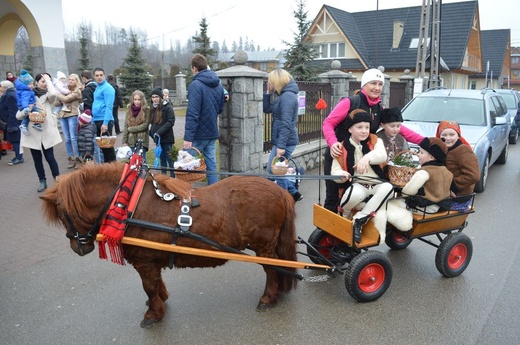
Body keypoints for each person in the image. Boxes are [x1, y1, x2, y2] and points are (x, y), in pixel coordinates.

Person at [322, 68, 424, 213]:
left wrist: (425, 142)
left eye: (380, 84)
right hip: (338, 157)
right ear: (364, 85)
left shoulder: (379, 109)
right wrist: (332, 143)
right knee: (333, 199)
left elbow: (399, 128)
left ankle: (353, 229)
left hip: (360, 160)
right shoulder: (350, 102)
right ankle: (327, 234)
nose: (377, 88)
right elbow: (328, 123)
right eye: (373, 83)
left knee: (356, 199)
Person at [331, 109, 394, 243]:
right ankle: (344, 219)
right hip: (358, 184)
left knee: (388, 188)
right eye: (359, 127)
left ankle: (359, 219)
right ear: (350, 129)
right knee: (352, 195)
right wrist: (341, 174)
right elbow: (334, 172)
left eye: (367, 127)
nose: (364, 131)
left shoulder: (375, 140)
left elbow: (382, 155)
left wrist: (367, 158)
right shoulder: (341, 148)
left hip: (377, 184)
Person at [183, 53, 224, 185]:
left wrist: (188, 138)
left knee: (185, 166)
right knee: (211, 165)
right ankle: (215, 194)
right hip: (212, 132)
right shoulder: (218, 85)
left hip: (198, 135)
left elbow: (193, 114)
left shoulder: (196, 85)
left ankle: (186, 195)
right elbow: (220, 108)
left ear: (195, 68)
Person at [263, 68, 302, 202]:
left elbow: (286, 123)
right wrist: (268, 93)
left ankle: (284, 199)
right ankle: (294, 194)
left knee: (275, 171)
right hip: (282, 140)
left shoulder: (287, 98)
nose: (270, 85)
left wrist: (281, 146)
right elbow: (267, 109)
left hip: (285, 141)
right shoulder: (284, 96)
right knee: (276, 170)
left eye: (271, 83)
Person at [18, 73, 62, 192]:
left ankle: (57, 179)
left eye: (46, 81)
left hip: (46, 131)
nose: (44, 84)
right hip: (33, 132)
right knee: (37, 159)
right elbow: (18, 115)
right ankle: (42, 180)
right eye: (42, 81)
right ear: (36, 82)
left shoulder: (48, 95)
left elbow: (53, 94)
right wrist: (26, 111)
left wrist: (48, 80)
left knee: (50, 157)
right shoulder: (27, 95)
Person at [402, 137, 453, 214]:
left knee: (393, 204)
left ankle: (402, 225)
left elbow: (407, 191)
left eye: (421, 153)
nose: (418, 154)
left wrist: (402, 191)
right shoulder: (448, 172)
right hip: (441, 207)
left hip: (423, 208)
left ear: (432, 157)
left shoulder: (424, 172)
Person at [436, 120, 480, 200]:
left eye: (452, 135)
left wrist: (453, 187)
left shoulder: (463, 150)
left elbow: (473, 175)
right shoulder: (442, 150)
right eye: (444, 135)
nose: (447, 138)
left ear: (458, 136)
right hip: (443, 194)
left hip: (458, 195)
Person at [51, 73, 83, 169]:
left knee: (74, 138)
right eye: (69, 79)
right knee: (67, 138)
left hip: (72, 115)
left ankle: (78, 158)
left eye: (72, 80)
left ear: (77, 81)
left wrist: (57, 93)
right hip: (63, 115)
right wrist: (57, 98)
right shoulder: (65, 89)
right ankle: (70, 158)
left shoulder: (78, 91)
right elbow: (57, 103)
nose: (70, 81)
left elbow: (66, 98)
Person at [91, 67, 116, 163]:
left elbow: (109, 106)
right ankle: (107, 170)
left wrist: (105, 123)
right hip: (97, 120)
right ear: (94, 77)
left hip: (104, 120)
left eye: (101, 75)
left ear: (104, 75)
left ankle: (114, 170)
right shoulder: (98, 87)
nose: (99, 77)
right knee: (103, 148)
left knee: (108, 148)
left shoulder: (108, 88)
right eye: (97, 75)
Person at [149, 87, 175, 176]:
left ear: (160, 97)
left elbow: (170, 121)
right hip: (158, 140)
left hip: (167, 139)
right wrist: (151, 133)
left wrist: (159, 132)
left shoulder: (167, 107)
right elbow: (153, 123)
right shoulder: (153, 108)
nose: (154, 99)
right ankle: (163, 177)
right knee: (161, 160)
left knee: (170, 160)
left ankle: (172, 178)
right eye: (153, 97)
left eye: (156, 97)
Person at [0, 80, 23, 165]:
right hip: (9, 121)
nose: (0, 88)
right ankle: (17, 156)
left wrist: (12, 125)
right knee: (14, 140)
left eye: (1, 86)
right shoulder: (8, 94)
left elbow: (13, 111)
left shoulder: (10, 95)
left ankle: (19, 157)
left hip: (12, 122)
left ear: (5, 87)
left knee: (15, 140)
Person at [122, 90, 150, 156]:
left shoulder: (146, 110)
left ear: (142, 100)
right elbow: (126, 126)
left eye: (139, 99)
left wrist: (131, 129)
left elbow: (145, 125)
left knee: (142, 161)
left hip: (142, 140)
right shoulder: (129, 110)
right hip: (131, 140)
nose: (137, 101)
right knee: (132, 161)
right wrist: (124, 141)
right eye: (135, 99)